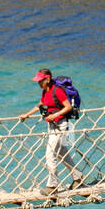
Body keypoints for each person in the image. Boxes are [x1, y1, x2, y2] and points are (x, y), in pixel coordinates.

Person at [18, 68, 86, 197]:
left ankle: (52, 186)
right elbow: (40, 104)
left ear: (47, 79)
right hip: (52, 126)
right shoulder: (45, 92)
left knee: (50, 154)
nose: (38, 83)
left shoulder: (57, 91)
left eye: (40, 81)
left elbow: (68, 107)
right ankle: (78, 177)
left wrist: (55, 116)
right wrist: (26, 115)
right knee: (61, 152)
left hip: (61, 125)